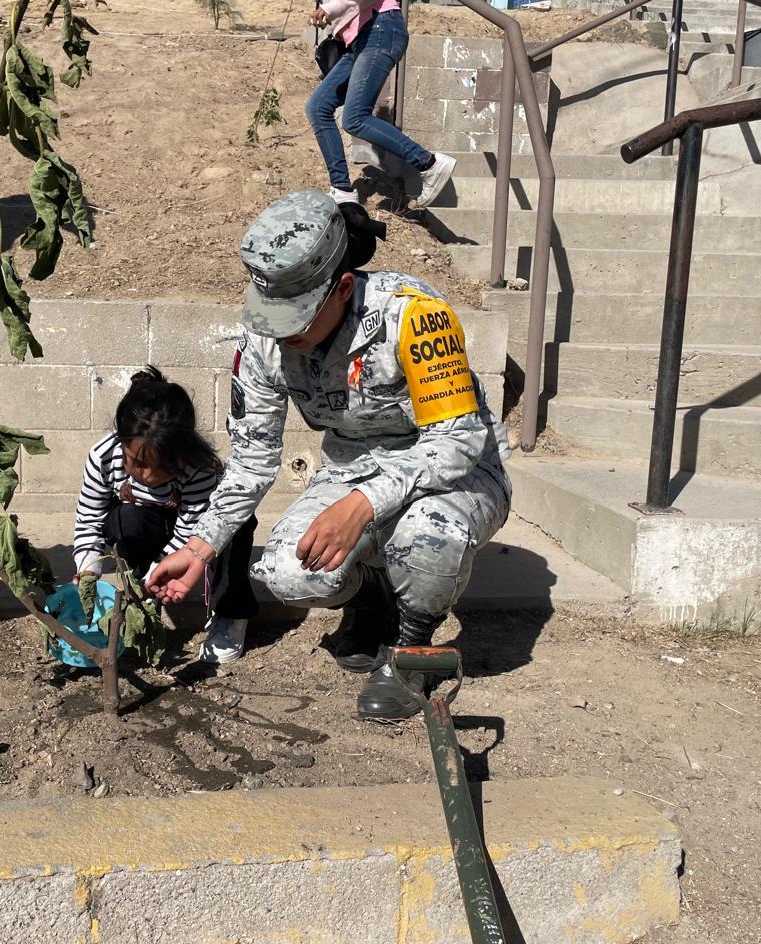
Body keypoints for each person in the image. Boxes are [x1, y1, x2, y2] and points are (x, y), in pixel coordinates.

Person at [148, 190, 511, 719]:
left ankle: (411, 653)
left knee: (429, 536)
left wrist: (363, 504)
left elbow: (456, 443)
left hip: (457, 470)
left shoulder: (415, 316)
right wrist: (200, 548)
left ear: (342, 288)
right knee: (286, 572)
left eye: (295, 316)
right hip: (353, 463)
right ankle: (374, 600)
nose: (280, 331)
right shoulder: (264, 341)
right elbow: (251, 460)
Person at [74, 368, 259, 664]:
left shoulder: (200, 468)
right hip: (147, 526)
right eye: (137, 463)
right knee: (124, 519)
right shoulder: (103, 456)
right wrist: (88, 570)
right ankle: (146, 592)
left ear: (181, 454)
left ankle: (229, 613)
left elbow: (191, 531)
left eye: (161, 467)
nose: (147, 476)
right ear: (121, 442)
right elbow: (89, 519)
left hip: (194, 535)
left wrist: (161, 570)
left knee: (237, 522)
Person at [306, 0, 456, 208]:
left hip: (380, 27)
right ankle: (342, 189)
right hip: (359, 41)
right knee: (318, 106)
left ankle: (428, 163)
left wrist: (329, 9)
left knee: (355, 117)